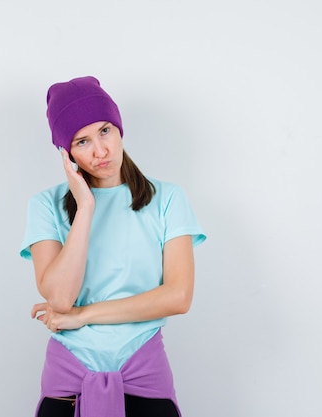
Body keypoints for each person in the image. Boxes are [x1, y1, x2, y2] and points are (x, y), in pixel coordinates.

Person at [20, 76, 206, 417]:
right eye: (82, 141)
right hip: (68, 384)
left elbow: (178, 297)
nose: (100, 151)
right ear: (66, 152)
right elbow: (60, 298)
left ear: (119, 128)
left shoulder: (167, 199)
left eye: (105, 130)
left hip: (144, 377)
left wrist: (84, 315)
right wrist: (86, 208)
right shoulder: (45, 206)